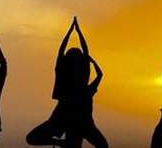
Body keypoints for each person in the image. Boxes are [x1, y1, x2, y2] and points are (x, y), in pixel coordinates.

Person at [28, 16, 107, 148]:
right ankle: (61, 142)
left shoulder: (75, 86)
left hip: (71, 123)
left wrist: (71, 31)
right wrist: (77, 32)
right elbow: (86, 58)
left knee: (32, 138)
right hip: (69, 122)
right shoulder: (79, 87)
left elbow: (61, 52)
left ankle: (61, 143)